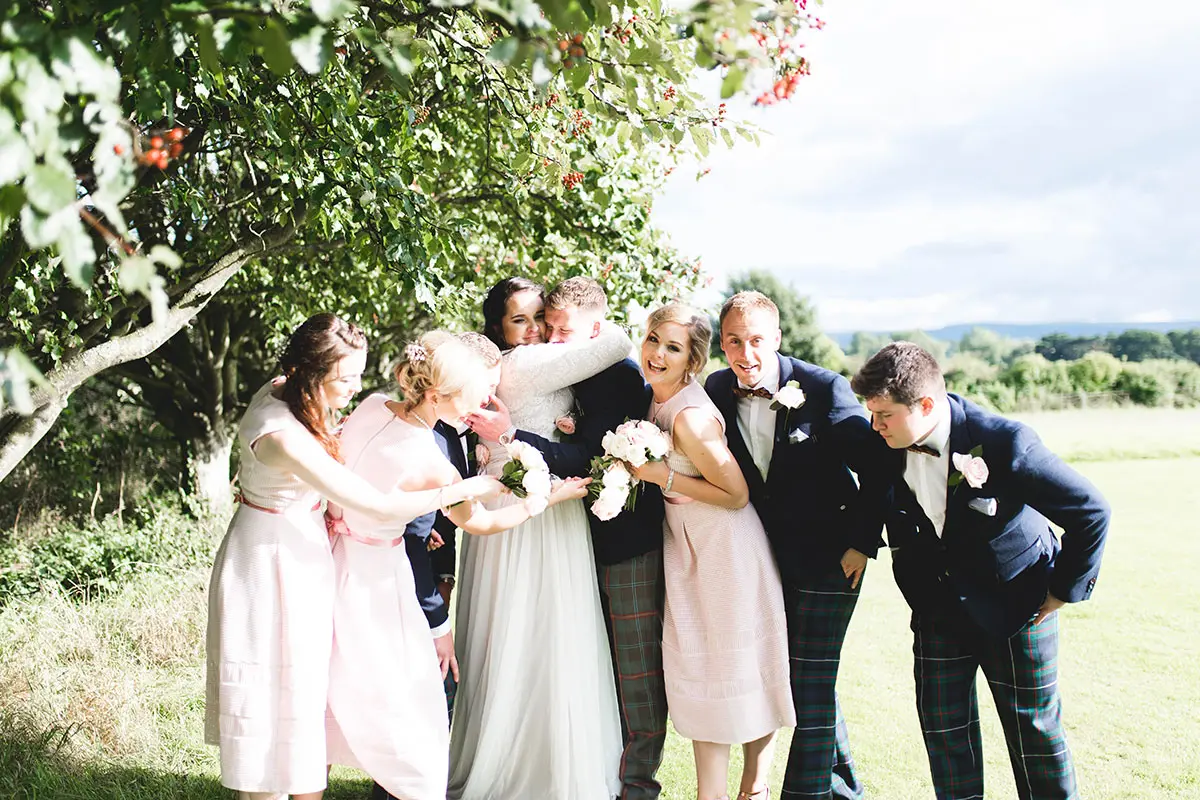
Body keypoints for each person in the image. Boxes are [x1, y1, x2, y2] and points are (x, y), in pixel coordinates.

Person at [204, 313, 495, 800]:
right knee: (272, 696)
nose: (356, 389)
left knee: (305, 694)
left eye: (358, 375)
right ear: (306, 372)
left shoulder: (288, 391)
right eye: (344, 379)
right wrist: (461, 490)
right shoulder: (280, 437)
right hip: (270, 560)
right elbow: (374, 504)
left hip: (305, 549)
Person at [325, 330, 587, 800]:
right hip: (381, 580)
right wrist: (543, 500)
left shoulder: (371, 406)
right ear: (438, 395)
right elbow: (482, 523)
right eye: (476, 393)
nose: (483, 402)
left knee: (332, 682)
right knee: (413, 705)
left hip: (333, 561)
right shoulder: (434, 464)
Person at [851, 341, 1111, 800]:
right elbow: (875, 492)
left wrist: (1063, 590)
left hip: (1017, 601)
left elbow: (1091, 510)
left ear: (925, 405)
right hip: (934, 606)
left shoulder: (1005, 443)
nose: (875, 425)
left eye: (885, 415)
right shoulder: (884, 441)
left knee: (1034, 733)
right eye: (871, 414)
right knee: (944, 732)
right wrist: (860, 543)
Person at [466, 277, 669, 800]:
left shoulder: (568, 364)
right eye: (524, 320)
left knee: (550, 635)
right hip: (537, 505)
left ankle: (585, 760)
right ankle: (542, 757)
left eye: (545, 319)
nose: (541, 332)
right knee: (542, 632)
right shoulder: (527, 362)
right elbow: (619, 340)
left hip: (568, 509)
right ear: (498, 328)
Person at [703, 291, 889, 800]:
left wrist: (862, 544)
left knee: (807, 684)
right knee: (808, 679)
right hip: (763, 560)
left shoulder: (823, 388)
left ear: (777, 338)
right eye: (733, 341)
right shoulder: (716, 389)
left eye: (756, 340)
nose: (745, 354)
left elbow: (878, 467)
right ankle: (844, 789)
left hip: (833, 557)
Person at [631, 303, 795, 800]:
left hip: (725, 551)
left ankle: (750, 788)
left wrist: (663, 477)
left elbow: (736, 494)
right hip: (689, 548)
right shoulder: (655, 399)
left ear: (693, 360)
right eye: (654, 339)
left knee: (737, 666)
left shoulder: (690, 418)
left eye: (673, 348)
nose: (658, 354)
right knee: (704, 669)